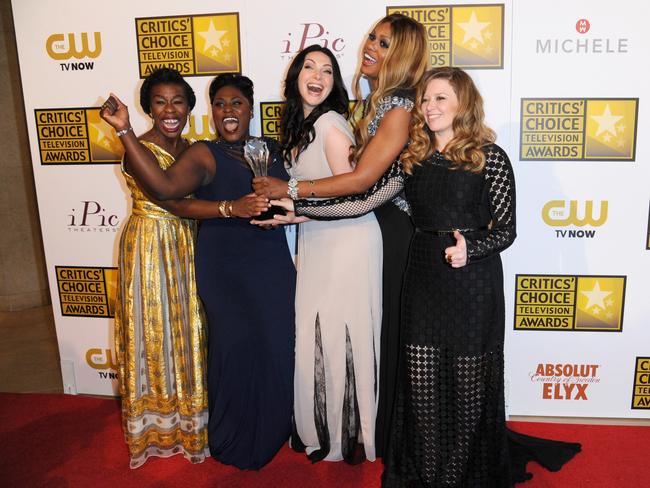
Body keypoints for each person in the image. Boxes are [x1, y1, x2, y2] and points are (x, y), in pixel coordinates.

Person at [253, 13, 428, 459]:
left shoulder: (398, 106)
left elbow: (359, 183)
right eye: (373, 36)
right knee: (346, 332)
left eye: (385, 44)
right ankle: (348, 430)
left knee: (361, 332)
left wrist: (292, 194)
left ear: (403, 55)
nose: (371, 46)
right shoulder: (375, 104)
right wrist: (296, 211)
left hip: (380, 231)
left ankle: (365, 434)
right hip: (350, 227)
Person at [101, 73, 296, 470]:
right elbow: (165, 190)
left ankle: (275, 426)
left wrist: (291, 211)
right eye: (221, 104)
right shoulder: (204, 153)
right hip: (223, 265)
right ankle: (233, 434)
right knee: (232, 349)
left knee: (276, 346)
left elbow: (298, 196)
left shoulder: (271, 148)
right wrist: (124, 130)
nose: (229, 110)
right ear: (211, 111)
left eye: (237, 103)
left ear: (250, 108)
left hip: (270, 262)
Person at [277, 44, 383, 464]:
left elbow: (353, 194)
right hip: (320, 242)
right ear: (295, 76)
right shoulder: (301, 127)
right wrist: (292, 216)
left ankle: (345, 437)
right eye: (309, 67)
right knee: (319, 335)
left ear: (335, 82)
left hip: (349, 241)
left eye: (326, 70)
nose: (317, 76)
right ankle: (325, 429)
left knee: (341, 337)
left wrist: (292, 213)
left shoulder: (331, 125)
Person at [102, 67, 212, 468]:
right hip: (150, 245)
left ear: (189, 107)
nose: (170, 109)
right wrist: (124, 129)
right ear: (149, 106)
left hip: (187, 245)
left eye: (178, 101)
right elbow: (165, 194)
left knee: (188, 330)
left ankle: (191, 422)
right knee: (153, 330)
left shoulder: (196, 148)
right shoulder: (137, 146)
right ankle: (157, 429)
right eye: (161, 101)